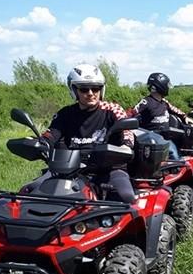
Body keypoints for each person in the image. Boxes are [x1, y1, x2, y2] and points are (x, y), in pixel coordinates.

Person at [36, 63, 136, 202]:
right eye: (84, 89)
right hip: (69, 169)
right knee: (31, 191)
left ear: (101, 89)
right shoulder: (65, 113)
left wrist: (126, 144)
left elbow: (126, 129)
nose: (90, 93)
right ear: (74, 90)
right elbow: (51, 134)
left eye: (95, 88)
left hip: (108, 169)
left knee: (125, 196)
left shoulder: (112, 109)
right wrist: (40, 143)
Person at [126, 72, 188, 159]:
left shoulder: (164, 102)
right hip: (151, 139)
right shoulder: (146, 102)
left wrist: (185, 117)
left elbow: (176, 110)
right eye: (166, 85)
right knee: (173, 153)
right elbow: (131, 113)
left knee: (177, 150)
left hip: (164, 137)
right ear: (160, 86)